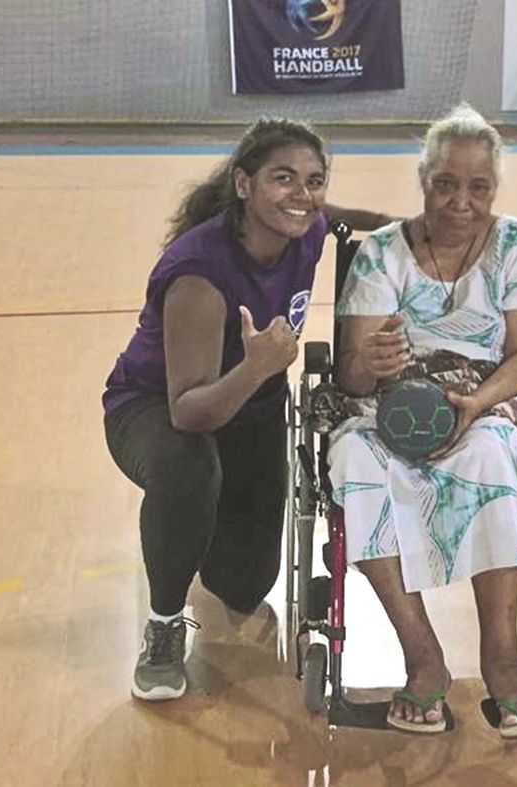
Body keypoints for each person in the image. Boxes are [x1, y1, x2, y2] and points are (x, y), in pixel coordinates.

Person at [103, 118, 392, 701]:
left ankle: (191, 525)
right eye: (282, 179)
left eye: (314, 180)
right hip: (158, 408)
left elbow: (341, 219)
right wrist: (259, 366)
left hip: (254, 408)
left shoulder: (305, 229)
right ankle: (163, 625)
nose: (302, 195)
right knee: (189, 467)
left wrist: (411, 231)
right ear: (244, 185)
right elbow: (189, 411)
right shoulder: (200, 272)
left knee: (242, 586)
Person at [327, 104, 517, 737]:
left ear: (494, 189)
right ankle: (423, 657)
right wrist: (368, 361)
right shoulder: (381, 255)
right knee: (354, 457)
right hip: (395, 399)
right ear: (422, 179)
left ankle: (503, 658)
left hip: (490, 395)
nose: (461, 201)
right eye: (445, 183)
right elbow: (351, 377)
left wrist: (477, 402)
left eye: (478, 186)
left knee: (492, 450)